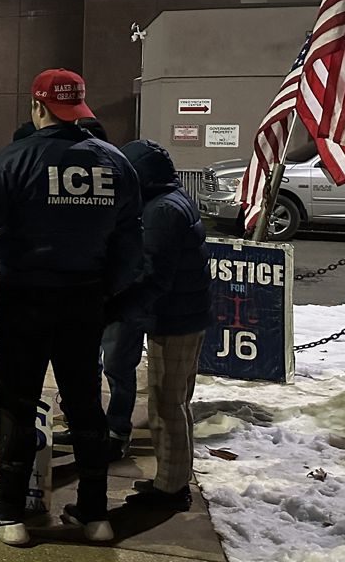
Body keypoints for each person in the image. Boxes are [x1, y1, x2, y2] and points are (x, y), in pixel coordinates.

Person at [0, 68, 142, 546]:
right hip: (84, 297)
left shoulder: (14, 160)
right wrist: (106, 291)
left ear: (38, 106)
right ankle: (95, 513)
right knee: (85, 402)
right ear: (79, 107)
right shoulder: (115, 163)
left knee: (18, 402)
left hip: (25, 297)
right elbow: (132, 243)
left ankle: (9, 514)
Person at [111, 139, 213, 512]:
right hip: (187, 315)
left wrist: (118, 308)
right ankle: (173, 479)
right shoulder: (174, 200)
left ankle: (170, 490)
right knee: (177, 403)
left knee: (166, 406)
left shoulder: (161, 211)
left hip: (174, 320)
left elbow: (155, 276)